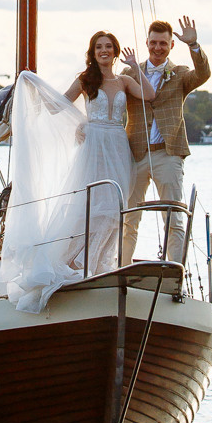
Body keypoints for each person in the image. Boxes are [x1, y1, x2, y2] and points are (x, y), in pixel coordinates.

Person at [121, 15, 210, 264]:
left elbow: (203, 74)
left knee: (173, 217)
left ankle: (175, 273)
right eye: (153, 43)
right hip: (135, 153)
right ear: (146, 43)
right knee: (129, 217)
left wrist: (194, 45)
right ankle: (121, 270)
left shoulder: (180, 74)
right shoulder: (130, 72)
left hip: (168, 153)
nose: (158, 48)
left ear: (171, 45)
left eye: (163, 43)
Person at [63, 30, 143, 273]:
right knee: (89, 202)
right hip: (94, 145)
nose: (104, 50)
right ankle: (74, 261)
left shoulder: (124, 81)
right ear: (93, 52)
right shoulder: (85, 79)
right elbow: (63, 102)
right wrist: (81, 122)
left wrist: (135, 67)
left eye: (108, 46)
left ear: (115, 51)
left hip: (118, 146)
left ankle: (98, 264)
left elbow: (149, 95)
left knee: (113, 205)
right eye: (99, 47)